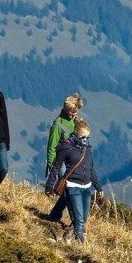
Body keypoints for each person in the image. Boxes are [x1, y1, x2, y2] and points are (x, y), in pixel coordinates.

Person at [50, 119, 103, 243]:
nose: (85, 140)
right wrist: (49, 185)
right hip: (72, 187)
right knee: (79, 219)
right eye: (83, 137)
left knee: (83, 219)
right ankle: (80, 245)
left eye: (87, 137)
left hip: (87, 188)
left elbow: (91, 169)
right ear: (75, 134)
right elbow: (56, 167)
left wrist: (98, 187)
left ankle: (69, 233)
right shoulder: (66, 147)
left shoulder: (87, 149)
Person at [44, 95, 83, 224]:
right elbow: (52, 146)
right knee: (68, 187)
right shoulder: (58, 124)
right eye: (72, 112)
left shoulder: (75, 120)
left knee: (67, 188)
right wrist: (51, 164)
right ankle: (74, 219)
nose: (73, 115)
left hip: (72, 159)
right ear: (66, 109)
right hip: (60, 160)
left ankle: (56, 214)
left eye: (76, 112)